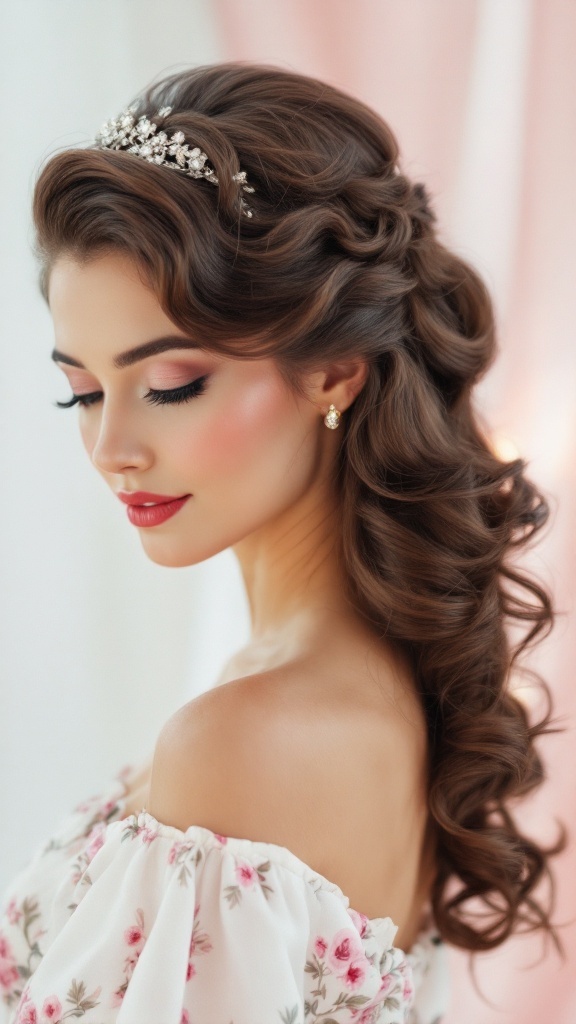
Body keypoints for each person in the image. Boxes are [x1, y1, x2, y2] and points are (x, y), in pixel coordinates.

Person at [0, 62, 563, 1024]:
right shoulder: (361, 684)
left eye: (171, 384)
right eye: (82, 392)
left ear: (334, 372)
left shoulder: (252, 737)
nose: (111, 449)